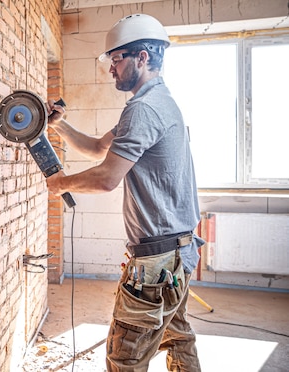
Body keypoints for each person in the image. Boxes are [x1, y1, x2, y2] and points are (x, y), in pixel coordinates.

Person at [46, 14, 205, 372]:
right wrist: (59, 125)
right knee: (177, 338)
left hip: (156, 263)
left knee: (124, 358)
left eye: (116, 59)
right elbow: (97, 148)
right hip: (177, 254)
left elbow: (105, 178)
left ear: (143, 57)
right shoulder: (158, 102)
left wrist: (62, 183)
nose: (111, 69)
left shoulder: (143, 109)